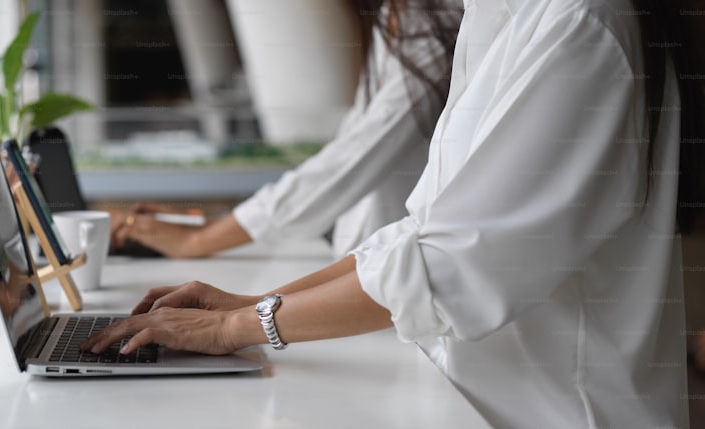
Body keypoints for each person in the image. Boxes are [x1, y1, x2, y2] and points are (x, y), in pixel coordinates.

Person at [83, 0, 705, 426]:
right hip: (470, 398)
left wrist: (235, 330)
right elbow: (420, 234)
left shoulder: (577, 25)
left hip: (549, 414)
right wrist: (252, 304)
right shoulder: (504, 16)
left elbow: (448, 267)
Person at [110, 0, 463, 259]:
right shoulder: (399, 13)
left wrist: (202, 238)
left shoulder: (433, 13)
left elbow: (360, 155)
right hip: (376, 274)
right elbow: (354, 158)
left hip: (399, 293)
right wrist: (203, 224)